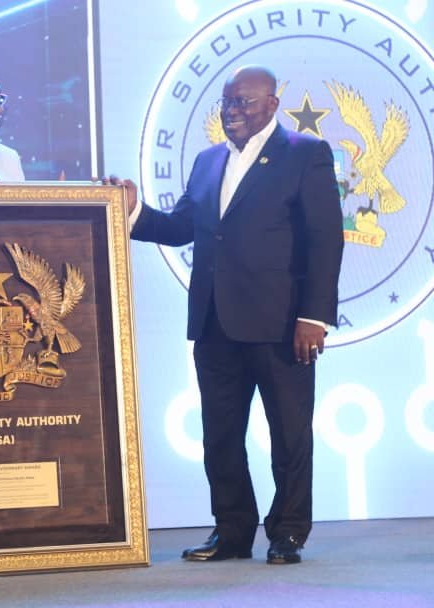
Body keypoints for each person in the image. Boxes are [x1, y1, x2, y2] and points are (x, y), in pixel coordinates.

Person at [112, 65, 344, 565]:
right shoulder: (207, 160)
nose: (232, 111)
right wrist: (132, 210)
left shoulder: (305, 154)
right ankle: (232, 532)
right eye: (227, 102)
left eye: (244, 102)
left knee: (289, 435)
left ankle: (288, 532)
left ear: (272, 104)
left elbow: (325, 240)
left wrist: (314, 316)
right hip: (215, 322)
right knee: (219, 435)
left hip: (281, 324)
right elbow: (181, 227)